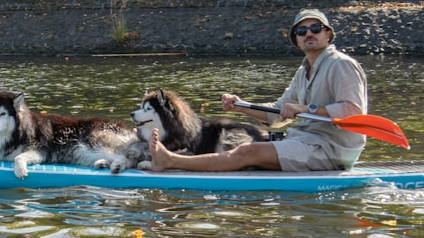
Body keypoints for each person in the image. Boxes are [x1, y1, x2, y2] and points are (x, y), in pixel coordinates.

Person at [149, 9, 368, 172]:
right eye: (302, 30)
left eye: (315, 28)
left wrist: (305, 108)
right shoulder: (304, 72)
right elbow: (278, 114)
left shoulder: (341, 64)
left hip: (331, 148)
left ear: (328, 35)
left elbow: (352, 111)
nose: (309, 33)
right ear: (296, 40)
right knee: (243, 143)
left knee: (247, 152)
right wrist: (241, 106)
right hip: (305, 140)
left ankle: (170, 161)